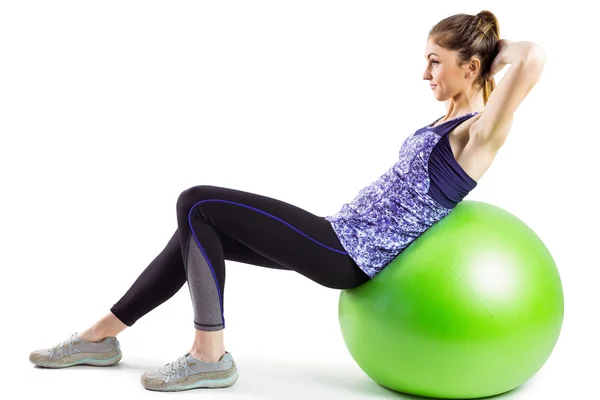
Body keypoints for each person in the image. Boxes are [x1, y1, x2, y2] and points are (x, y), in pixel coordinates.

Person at [29, 9, 546, 392]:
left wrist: (492, 47)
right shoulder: (445, 118)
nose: (425, 73)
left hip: (347, 252)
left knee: (196, 201)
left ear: (472, 66)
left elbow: (533, 58)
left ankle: (210, 354)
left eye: (436, 62)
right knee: (197, 228)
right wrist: (473, 53)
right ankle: (101, 337)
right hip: (338, 231)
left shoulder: (479, 134)